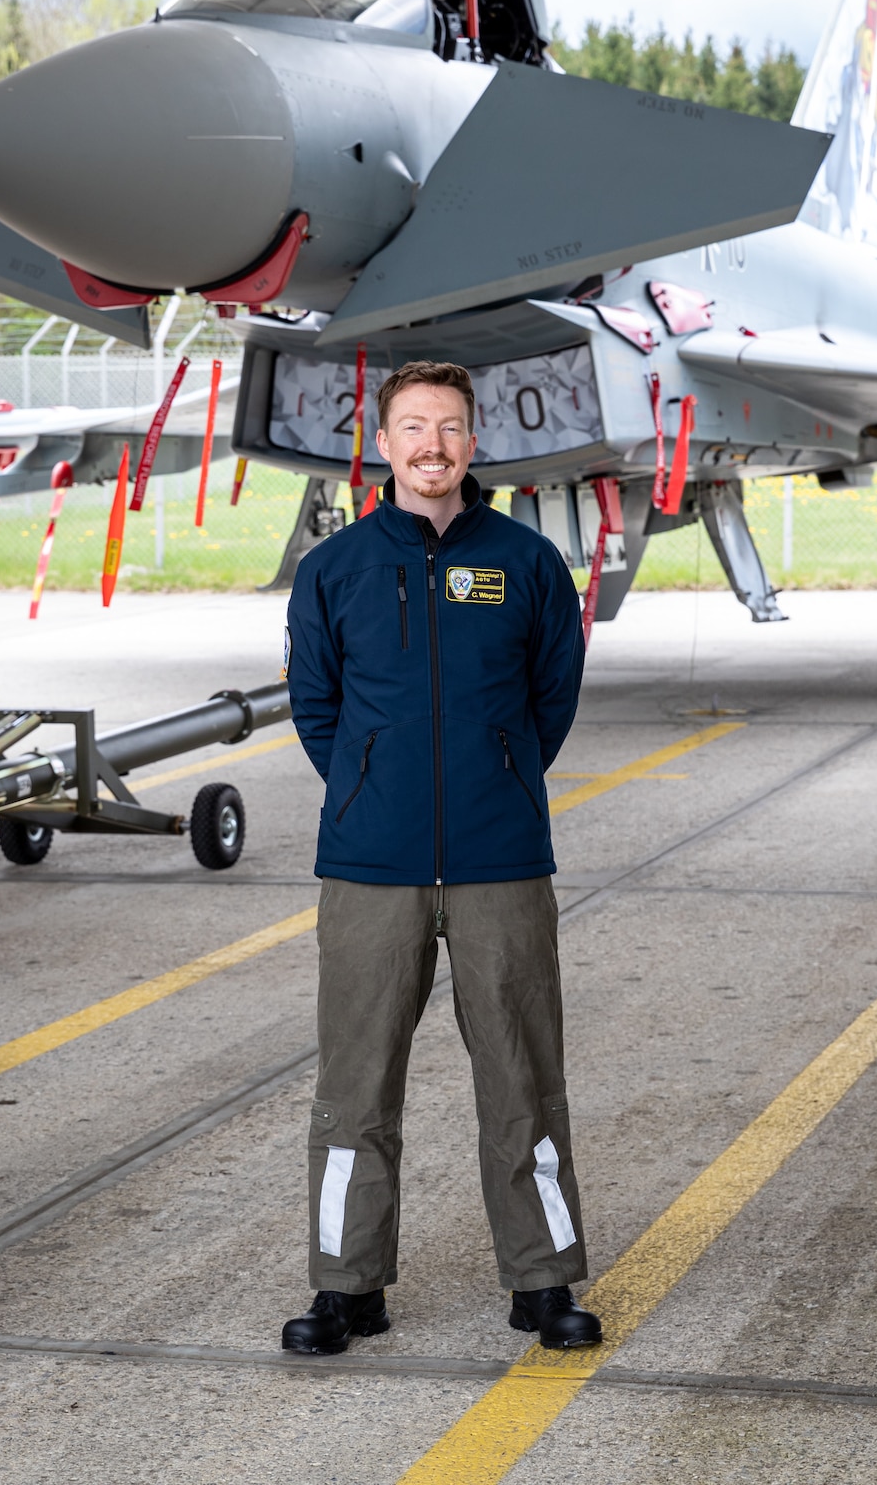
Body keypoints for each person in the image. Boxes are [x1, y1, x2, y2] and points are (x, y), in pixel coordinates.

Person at [280, 359, 602, 1355]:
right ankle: (347, 1286)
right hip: (369, 867)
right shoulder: (334, 570)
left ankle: (543, 1280)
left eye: (449, 427)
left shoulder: (528, 561)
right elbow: (317, 707)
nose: (431, 445)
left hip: (500, 858)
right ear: (384, 443)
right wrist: (376, 786)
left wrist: (494, 775)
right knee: (355, 1084)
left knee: (521, 1074)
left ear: (474, 440)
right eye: (412, 426)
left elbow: (550, 697)